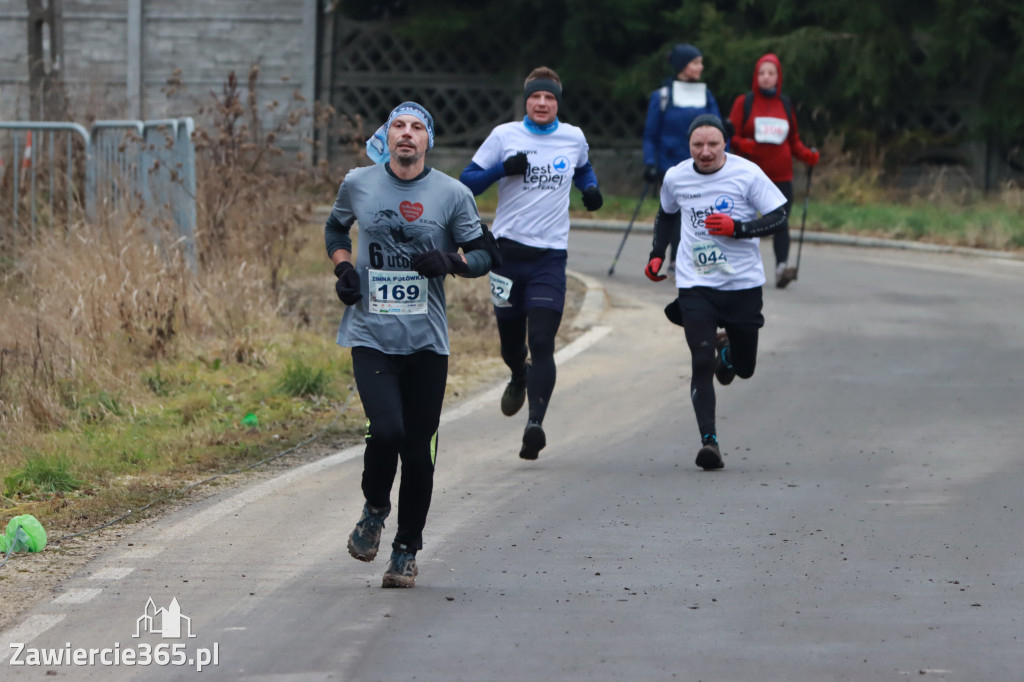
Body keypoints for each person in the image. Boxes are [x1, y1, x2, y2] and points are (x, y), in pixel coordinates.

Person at [325, 101, 499, 588]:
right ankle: (375, 506)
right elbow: (336, 227)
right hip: (370, 334)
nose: (406, 134)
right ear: (386, 137)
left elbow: (488, 253)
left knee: (418, 449)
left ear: (428, 141)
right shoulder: (358, 183)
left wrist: (451, 262)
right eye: (398, 126)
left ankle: (406, 550)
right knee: (386, 432)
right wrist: (343, 268)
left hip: (426, 342)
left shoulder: (453, 193)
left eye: (417, 127)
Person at [459, 66, 603, 461]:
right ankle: (517, 374)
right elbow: (465, 182)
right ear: (526, 100)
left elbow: (584, 167)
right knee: (511, 343)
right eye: (536, 97)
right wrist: (501, 169)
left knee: (542, 341)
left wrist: (589, 188)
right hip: (506, 256)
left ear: (558, 102)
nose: (542, 103)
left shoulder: (572, 137)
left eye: (550, 98)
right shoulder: (505, 136)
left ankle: (535, 424)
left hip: (549, 257)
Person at [643, 114, 787, 471]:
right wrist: (657, 254)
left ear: (725, 144)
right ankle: (710, 441)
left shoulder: (747, 173)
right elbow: (666, 214)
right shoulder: (676, 176)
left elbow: (779, 215)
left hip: (742, 284)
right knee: (700, 360)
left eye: (713, 145)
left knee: (745, 368)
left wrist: (737, 228)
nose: (705, 152)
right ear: (689, 146)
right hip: (696, 282)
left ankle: (729, 354)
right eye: (697, 145)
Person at [727, 53, 819, 289]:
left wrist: (808, 155)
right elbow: (728, 135)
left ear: (779, 77)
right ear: (755, 77)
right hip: (750, 176)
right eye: (761, 73)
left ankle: (781, 268)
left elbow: (793, 140)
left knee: (781, 222)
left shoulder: (785, 104)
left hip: (781, 176)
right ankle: (736, 268)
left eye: (771, 73)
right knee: (743, 221)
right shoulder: (744, 103)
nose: (766, 78)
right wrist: (744, 144)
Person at [642, 43, 724, 266]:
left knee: (699, 212)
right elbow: (651, 134)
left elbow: (717, 129)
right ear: (683, 66)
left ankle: (697, 260)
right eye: (696, 62)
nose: (701, 67)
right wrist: (649, 162)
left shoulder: (706, 95)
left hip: (702, 163)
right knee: (676, 213)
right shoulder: (662, 96)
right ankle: (673, 259)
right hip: (670, 165)